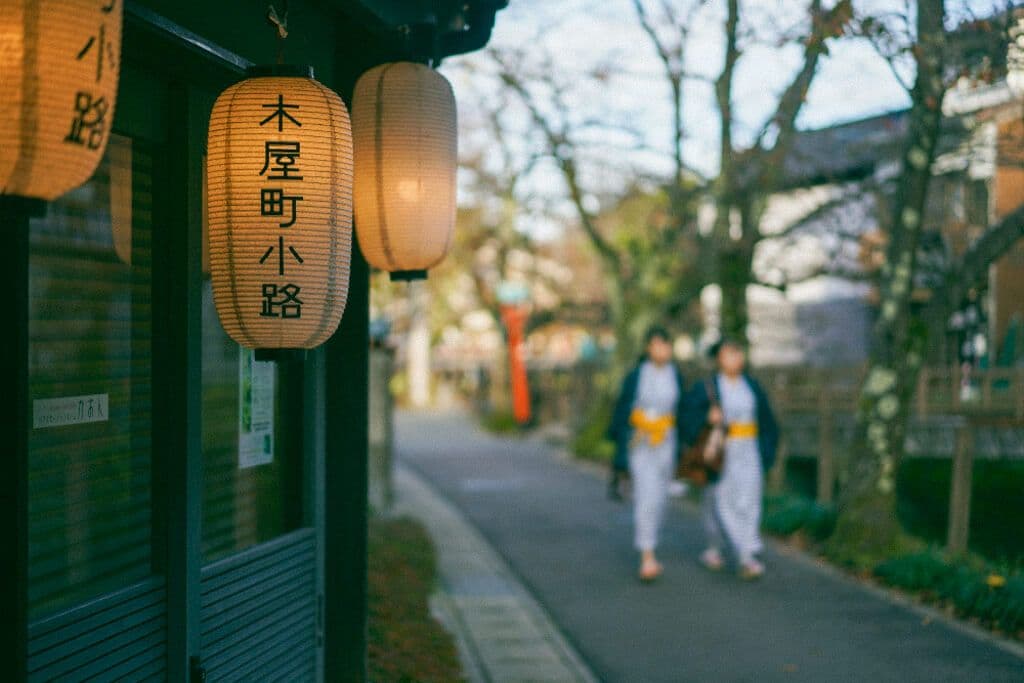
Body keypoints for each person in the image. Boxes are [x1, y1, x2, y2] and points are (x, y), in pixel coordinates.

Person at [683, 337, 779, 580]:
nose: (734, 359)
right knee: (721, 501)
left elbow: (767, 422)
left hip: (749, 450)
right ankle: (743, 553)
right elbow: (686, 415)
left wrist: (766, 452)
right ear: (718, 359)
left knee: (749, 498)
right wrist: (707, 417)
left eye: (737, 353)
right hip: (721, 451)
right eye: (728, 354)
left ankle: (745, 549)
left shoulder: (752, 387)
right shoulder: (708, 387)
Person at [607, 326, 687, 581]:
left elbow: (683, 411)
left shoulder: (676, 376)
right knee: (646, 495)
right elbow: (623, 409)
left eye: (666, 345)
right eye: (656, 345)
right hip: (641, 441)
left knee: (660, 496)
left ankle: (651, 543)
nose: (661, 350)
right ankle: (647, 554)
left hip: (667, 440)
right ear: (648, 348)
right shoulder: (637, 375)